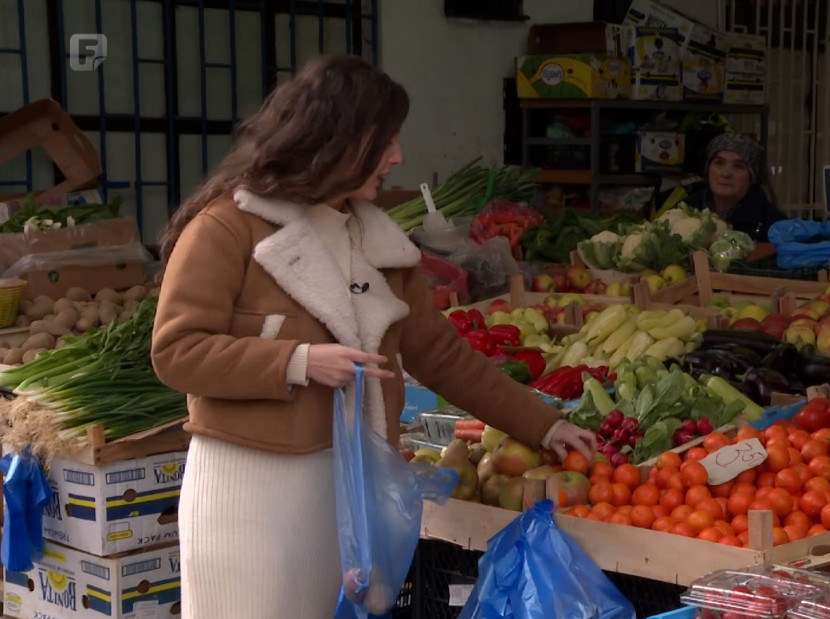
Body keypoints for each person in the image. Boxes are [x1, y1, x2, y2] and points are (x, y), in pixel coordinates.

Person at [149, 54, 597, 619]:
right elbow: (176, 351)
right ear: (334, 140)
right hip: (252, 492)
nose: (397, 157)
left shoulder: (378, 243)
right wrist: (298, 361)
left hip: (353, 490)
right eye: (384, 141)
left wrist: (546, 423)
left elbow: (443, 357)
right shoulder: (225, 228)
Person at [682, 132, 786, 242]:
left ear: (752, 177)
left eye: (738, 166)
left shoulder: (773, 225)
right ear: (708, 168)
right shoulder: (686, 209)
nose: (726, 174)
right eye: (719, 163)